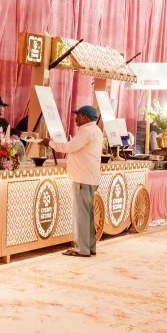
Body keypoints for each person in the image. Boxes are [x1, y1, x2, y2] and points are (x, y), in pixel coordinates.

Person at [40, 105, 103, 257]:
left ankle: (82, 249)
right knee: (88, 215)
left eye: (78, 115)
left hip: (82, 178)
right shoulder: (96, 130)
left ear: (86, 117)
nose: (75, 118)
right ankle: (89, 247)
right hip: (89, 177)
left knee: (81, 215)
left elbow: (69, 147)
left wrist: (50, 143)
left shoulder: (86, 131)